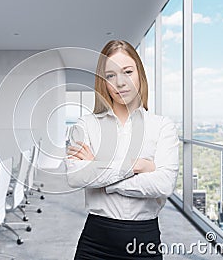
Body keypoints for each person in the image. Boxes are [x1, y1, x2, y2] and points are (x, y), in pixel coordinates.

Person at [64, 40, 179, 259]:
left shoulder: (162, 126)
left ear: (140, 75)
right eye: (110, 76)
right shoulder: (86, 125)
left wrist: (101, 172)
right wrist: (138, 166)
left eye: (127, 72)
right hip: (95, 242)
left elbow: (163, 185)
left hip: (144, 242)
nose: (120, 82)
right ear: (103, 82)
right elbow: (76, 177)